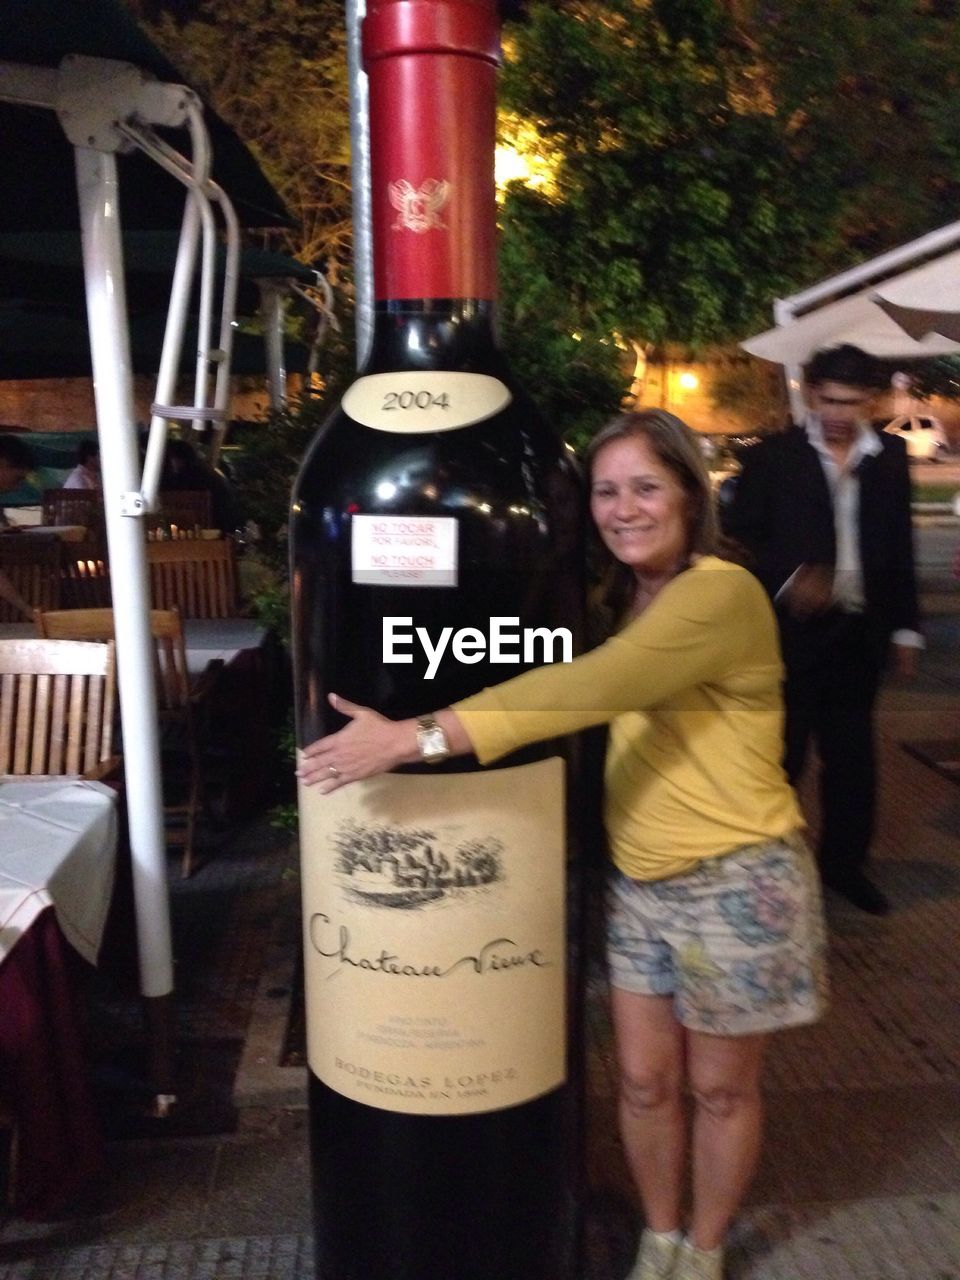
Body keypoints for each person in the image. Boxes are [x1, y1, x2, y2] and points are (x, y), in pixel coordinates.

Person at [299, 409, 828, 1280]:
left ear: (692, 497)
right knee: (644, 1084)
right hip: (640, 883)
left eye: (646, 488)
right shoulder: (627, 596)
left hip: (737, 879)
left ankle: (704, 1249)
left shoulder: (717, 593)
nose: (623, 509)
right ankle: (661, 1233)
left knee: (720, 1088)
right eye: (607, 492)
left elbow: (588, 688)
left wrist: (412, 738)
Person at [724, 344, 921, 917]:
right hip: (791, 633)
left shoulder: (889, 457)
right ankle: (762, 868)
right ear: (810, 394)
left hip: (860, 633)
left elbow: (899, 547)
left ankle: (844, 868)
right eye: (829, 399)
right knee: (781, 754)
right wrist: (787, 582)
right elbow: (736, 544)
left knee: (853, 759)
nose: (838, 412)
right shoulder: (774, 459)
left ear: (873, 402)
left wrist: (906, 630)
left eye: (852, 402)